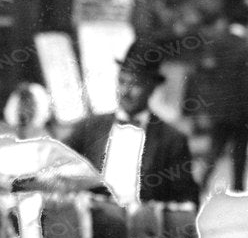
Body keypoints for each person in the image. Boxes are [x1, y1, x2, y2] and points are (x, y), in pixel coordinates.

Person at [60, 40, 200, 206]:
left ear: (152, 87)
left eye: (135, 84)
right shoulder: (90, 127)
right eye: (122, 81)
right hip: (94, 224)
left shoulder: (172, 140)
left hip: (142, 228)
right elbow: (57, 167)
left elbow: (186, 203)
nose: (125, 92)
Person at [184, 7, 248, 197]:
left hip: (220, 107)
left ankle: (202, 182)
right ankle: (238, 186)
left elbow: (206, 73)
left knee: (215, 147)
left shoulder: (217, 44)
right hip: (242, 108)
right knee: (240, 149)